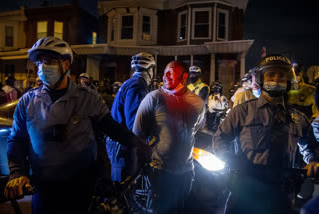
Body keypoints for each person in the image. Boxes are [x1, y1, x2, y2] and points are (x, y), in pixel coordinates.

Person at [3, 36, 152, 214]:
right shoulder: (27, 101)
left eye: (49, 61)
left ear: (65, 64)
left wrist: (139, 144)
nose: (42, 67)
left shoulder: (88, 98)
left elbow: (112, 128)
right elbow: (16, 140)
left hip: (81, 189)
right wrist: (17, 173)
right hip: (43, 190)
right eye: (39, 63)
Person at [213, 54, 319, 214]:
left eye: (282, 75)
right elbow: (220, 139)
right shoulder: (242, 111)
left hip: (282, 194)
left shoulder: (298, 117)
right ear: (262, 78)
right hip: (245, 190)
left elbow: (310, 147)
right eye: (271, 75)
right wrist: (231, 161)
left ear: (289, 80)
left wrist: (312, 161)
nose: (277, 79)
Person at [133, 60, 206, 214]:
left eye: (170, 72)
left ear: (184, 76)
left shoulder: (198, 103)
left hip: (186, 172)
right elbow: (137, 133)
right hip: (159, 172)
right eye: (164, 72)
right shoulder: (153, 98)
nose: (164, 76)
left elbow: (195, 130)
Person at [106, 52, 155, 182]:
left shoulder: (132, 82)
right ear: (150, 70)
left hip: (120, 140)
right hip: (123, 143)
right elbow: (134, 123)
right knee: (124, 185)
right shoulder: (138, 86)